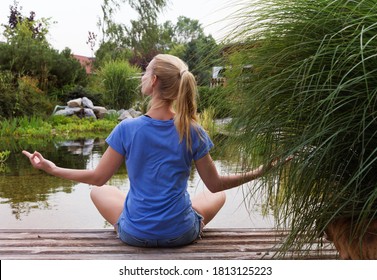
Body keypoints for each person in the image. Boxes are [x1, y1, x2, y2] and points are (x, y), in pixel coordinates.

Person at [22, 54, 280, 248]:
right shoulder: (193, 131)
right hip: (181, 235)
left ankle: (138, 217)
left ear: (154, 81)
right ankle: (180, 221)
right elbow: (215, 185)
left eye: (146, 72)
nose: (142, 76)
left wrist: (51, 168)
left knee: (100, 190)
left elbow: (98, 178)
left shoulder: (127, 128)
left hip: (135, 235)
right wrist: (262, 170)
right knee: (217, 197)